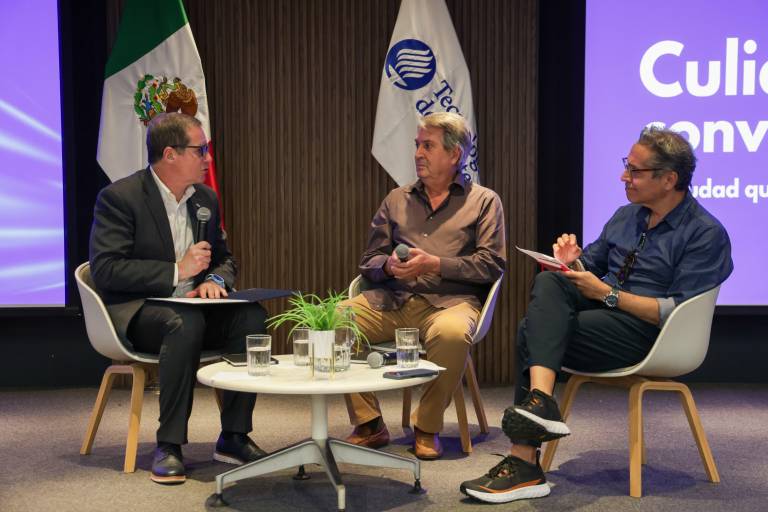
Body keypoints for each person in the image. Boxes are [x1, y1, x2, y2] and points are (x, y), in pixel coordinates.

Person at [460, 126, 733, 503]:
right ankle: (540, 403)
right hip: (606, 316)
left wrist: (607, 294)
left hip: (652, 335)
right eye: (626, 165)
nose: (624, 176)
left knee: (529, 331)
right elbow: (590, 266)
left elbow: (673, 311)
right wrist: (571, 264)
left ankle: (525, 460)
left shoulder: (705, 233)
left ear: (669, 179)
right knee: (552, 281)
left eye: (635, 170)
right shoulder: (626, 216)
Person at [89, 113, 268, 484]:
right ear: (170, 154)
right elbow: (106, 269)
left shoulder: (204, 198)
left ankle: (234, 436)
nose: (208, 158)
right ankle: (169, 444)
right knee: (183, 323)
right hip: (142, 311)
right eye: (200, 150)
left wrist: (215, 279)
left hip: (195, 308)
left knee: (251, 316)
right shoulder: (120, 198)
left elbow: (224, 257)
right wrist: (176, 271)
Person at [342, 112, 506, 460]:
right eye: (417, 145)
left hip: (451, 304)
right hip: (393, 300)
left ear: (454, 154)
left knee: (452, 335)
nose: (417, 153)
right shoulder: (396, 199)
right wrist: (388, 265)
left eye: (427, 146)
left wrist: (435, 264)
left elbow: (491, 265)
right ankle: (370, 423)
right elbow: (369, 260)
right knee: (333, 321)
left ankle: (427, 426)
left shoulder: (484, 201)